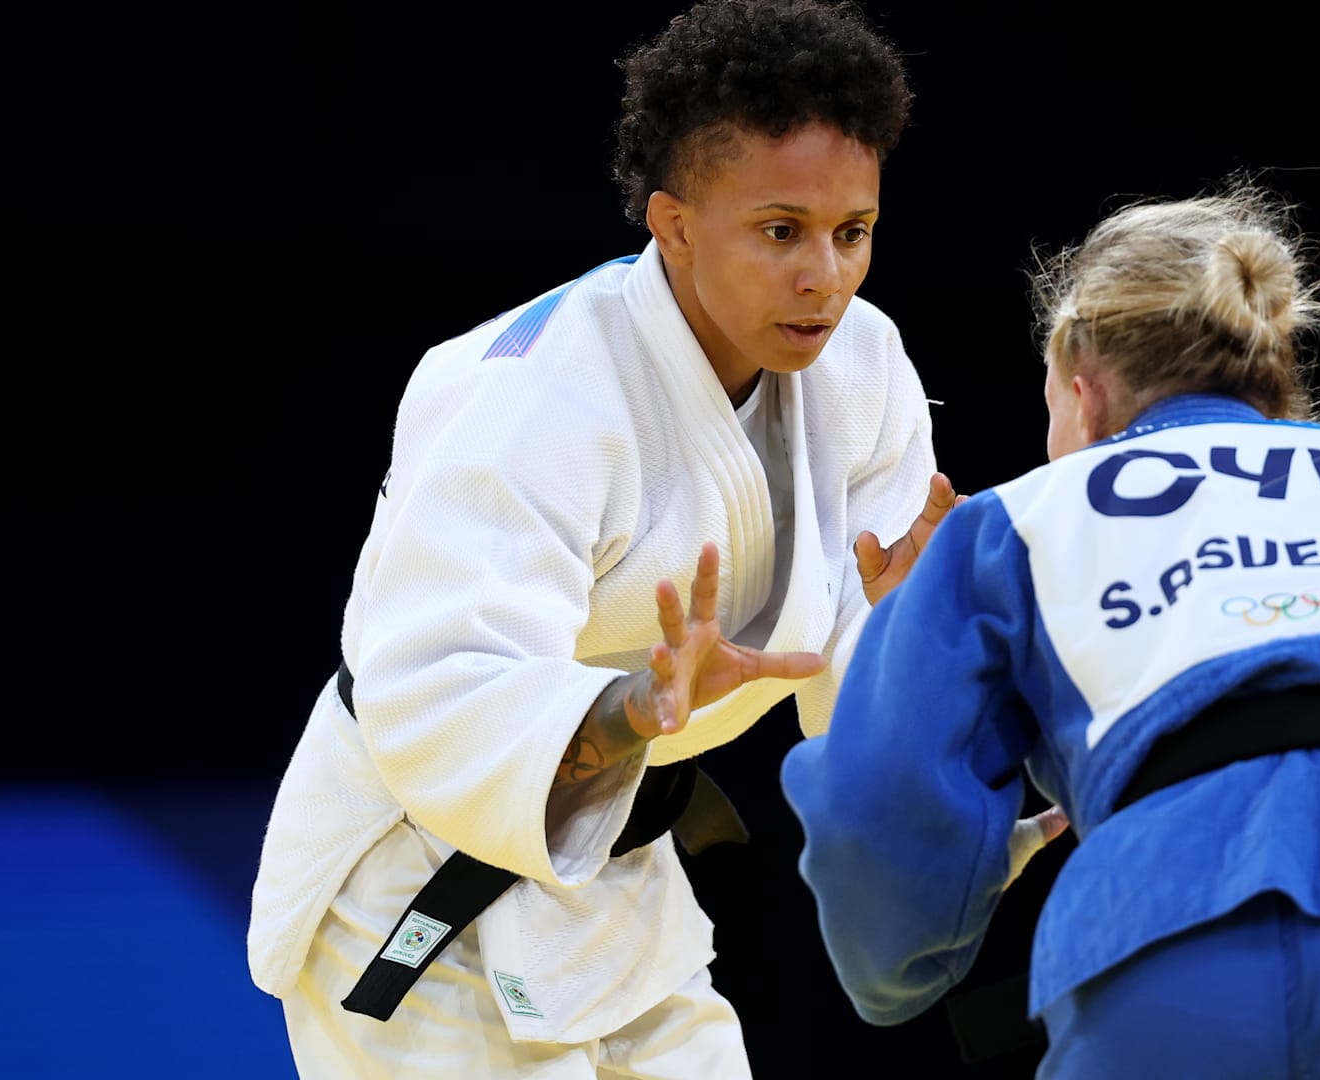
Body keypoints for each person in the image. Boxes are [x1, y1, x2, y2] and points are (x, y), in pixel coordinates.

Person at [245, 3, 1054, 1076]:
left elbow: (840, 687)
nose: (826, 275)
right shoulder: (538, 398)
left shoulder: (861, 367)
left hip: (620, 875)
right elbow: (432, 694)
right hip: (413, 880)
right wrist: (634, 706)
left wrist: (900, 628)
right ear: (673, 225)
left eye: (851, 230)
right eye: (781, 231)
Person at [780, 179, 1320, 1078]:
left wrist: (905, 956)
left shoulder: (1010, 523)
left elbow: (880, 817)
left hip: (1158, 950)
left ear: (1081, 395)